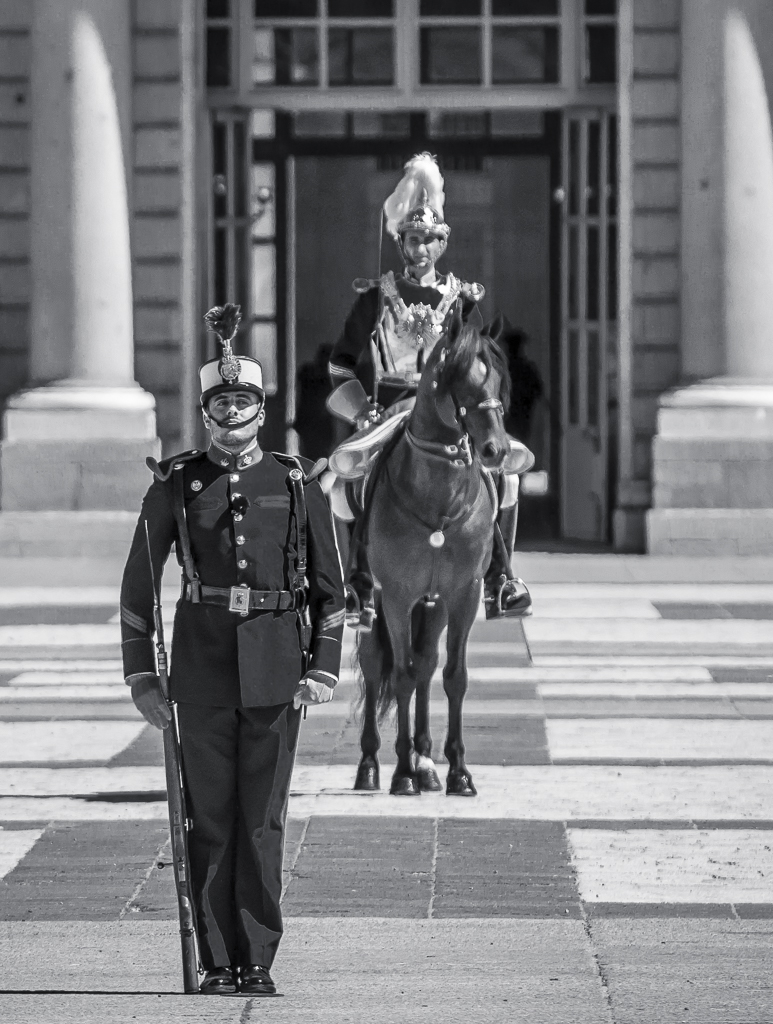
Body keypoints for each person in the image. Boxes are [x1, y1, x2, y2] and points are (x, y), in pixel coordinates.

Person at [119, 304, 345, 997]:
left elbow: (332, 588)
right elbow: (137, 584)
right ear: (208, 410)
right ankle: (219, 959)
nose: (234, 410)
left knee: (263, 821)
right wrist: (142, 678)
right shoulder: (179, 485)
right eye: (222, 401)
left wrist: (324, 664)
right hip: (202, 667)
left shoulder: (295, 481)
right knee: (210, 817)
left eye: (245, 399)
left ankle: (259, 959)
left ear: (261, 408)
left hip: (278, 665)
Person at [328, 152, 532, 628]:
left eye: (429, 241)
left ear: (443, 244)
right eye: (412, 240)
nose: (420, 250)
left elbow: (478, 361)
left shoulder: (463, 298)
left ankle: (502, 577)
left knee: (509, 476)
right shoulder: (375, 296)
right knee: (342, 483)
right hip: (389, 407)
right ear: (401, 242)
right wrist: (361, 414)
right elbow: (340, 365)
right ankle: (357, 581)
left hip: (449, 411)